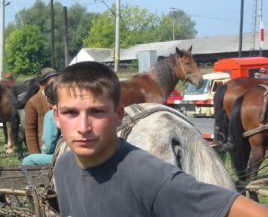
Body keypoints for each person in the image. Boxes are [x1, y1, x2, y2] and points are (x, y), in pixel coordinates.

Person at [52, 61, 268, 217]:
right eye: (71, 113)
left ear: (119, 115)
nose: (83, 127)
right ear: (56, 117)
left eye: (97, 112)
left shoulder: (146, 175)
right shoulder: (64, 167)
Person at [22, 81, 61, 165]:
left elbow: (49, 145)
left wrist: (43, 154)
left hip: (62, 155)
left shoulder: (51, 115)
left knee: (27, 160)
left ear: (47, 99)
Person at [24, 68, 59, 154]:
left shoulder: (62, 96)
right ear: (44, 84)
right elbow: (30, 131)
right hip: (45, 150)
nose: (56, 83)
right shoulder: (33, 102)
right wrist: (34, 154)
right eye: (53, 81)